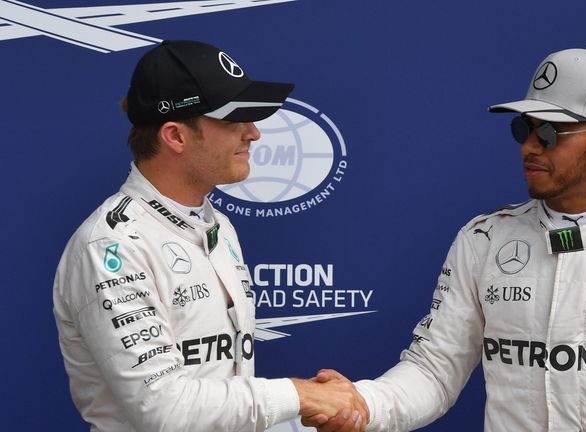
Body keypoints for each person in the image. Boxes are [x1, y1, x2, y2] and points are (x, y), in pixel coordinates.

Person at [309, 48, 586, 431]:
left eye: (550, 133)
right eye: (523, 129)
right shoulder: (484, 240)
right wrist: (365, 404)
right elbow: (434, 370)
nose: (530, 146)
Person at [53, 40, 367, 432]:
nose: (253, 134)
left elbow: (224, 396)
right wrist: (300, 395)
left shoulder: (217, 224)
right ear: (176, 135)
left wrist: (307, 413)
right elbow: (162, 409)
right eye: (233, 120)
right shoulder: (111, 246)